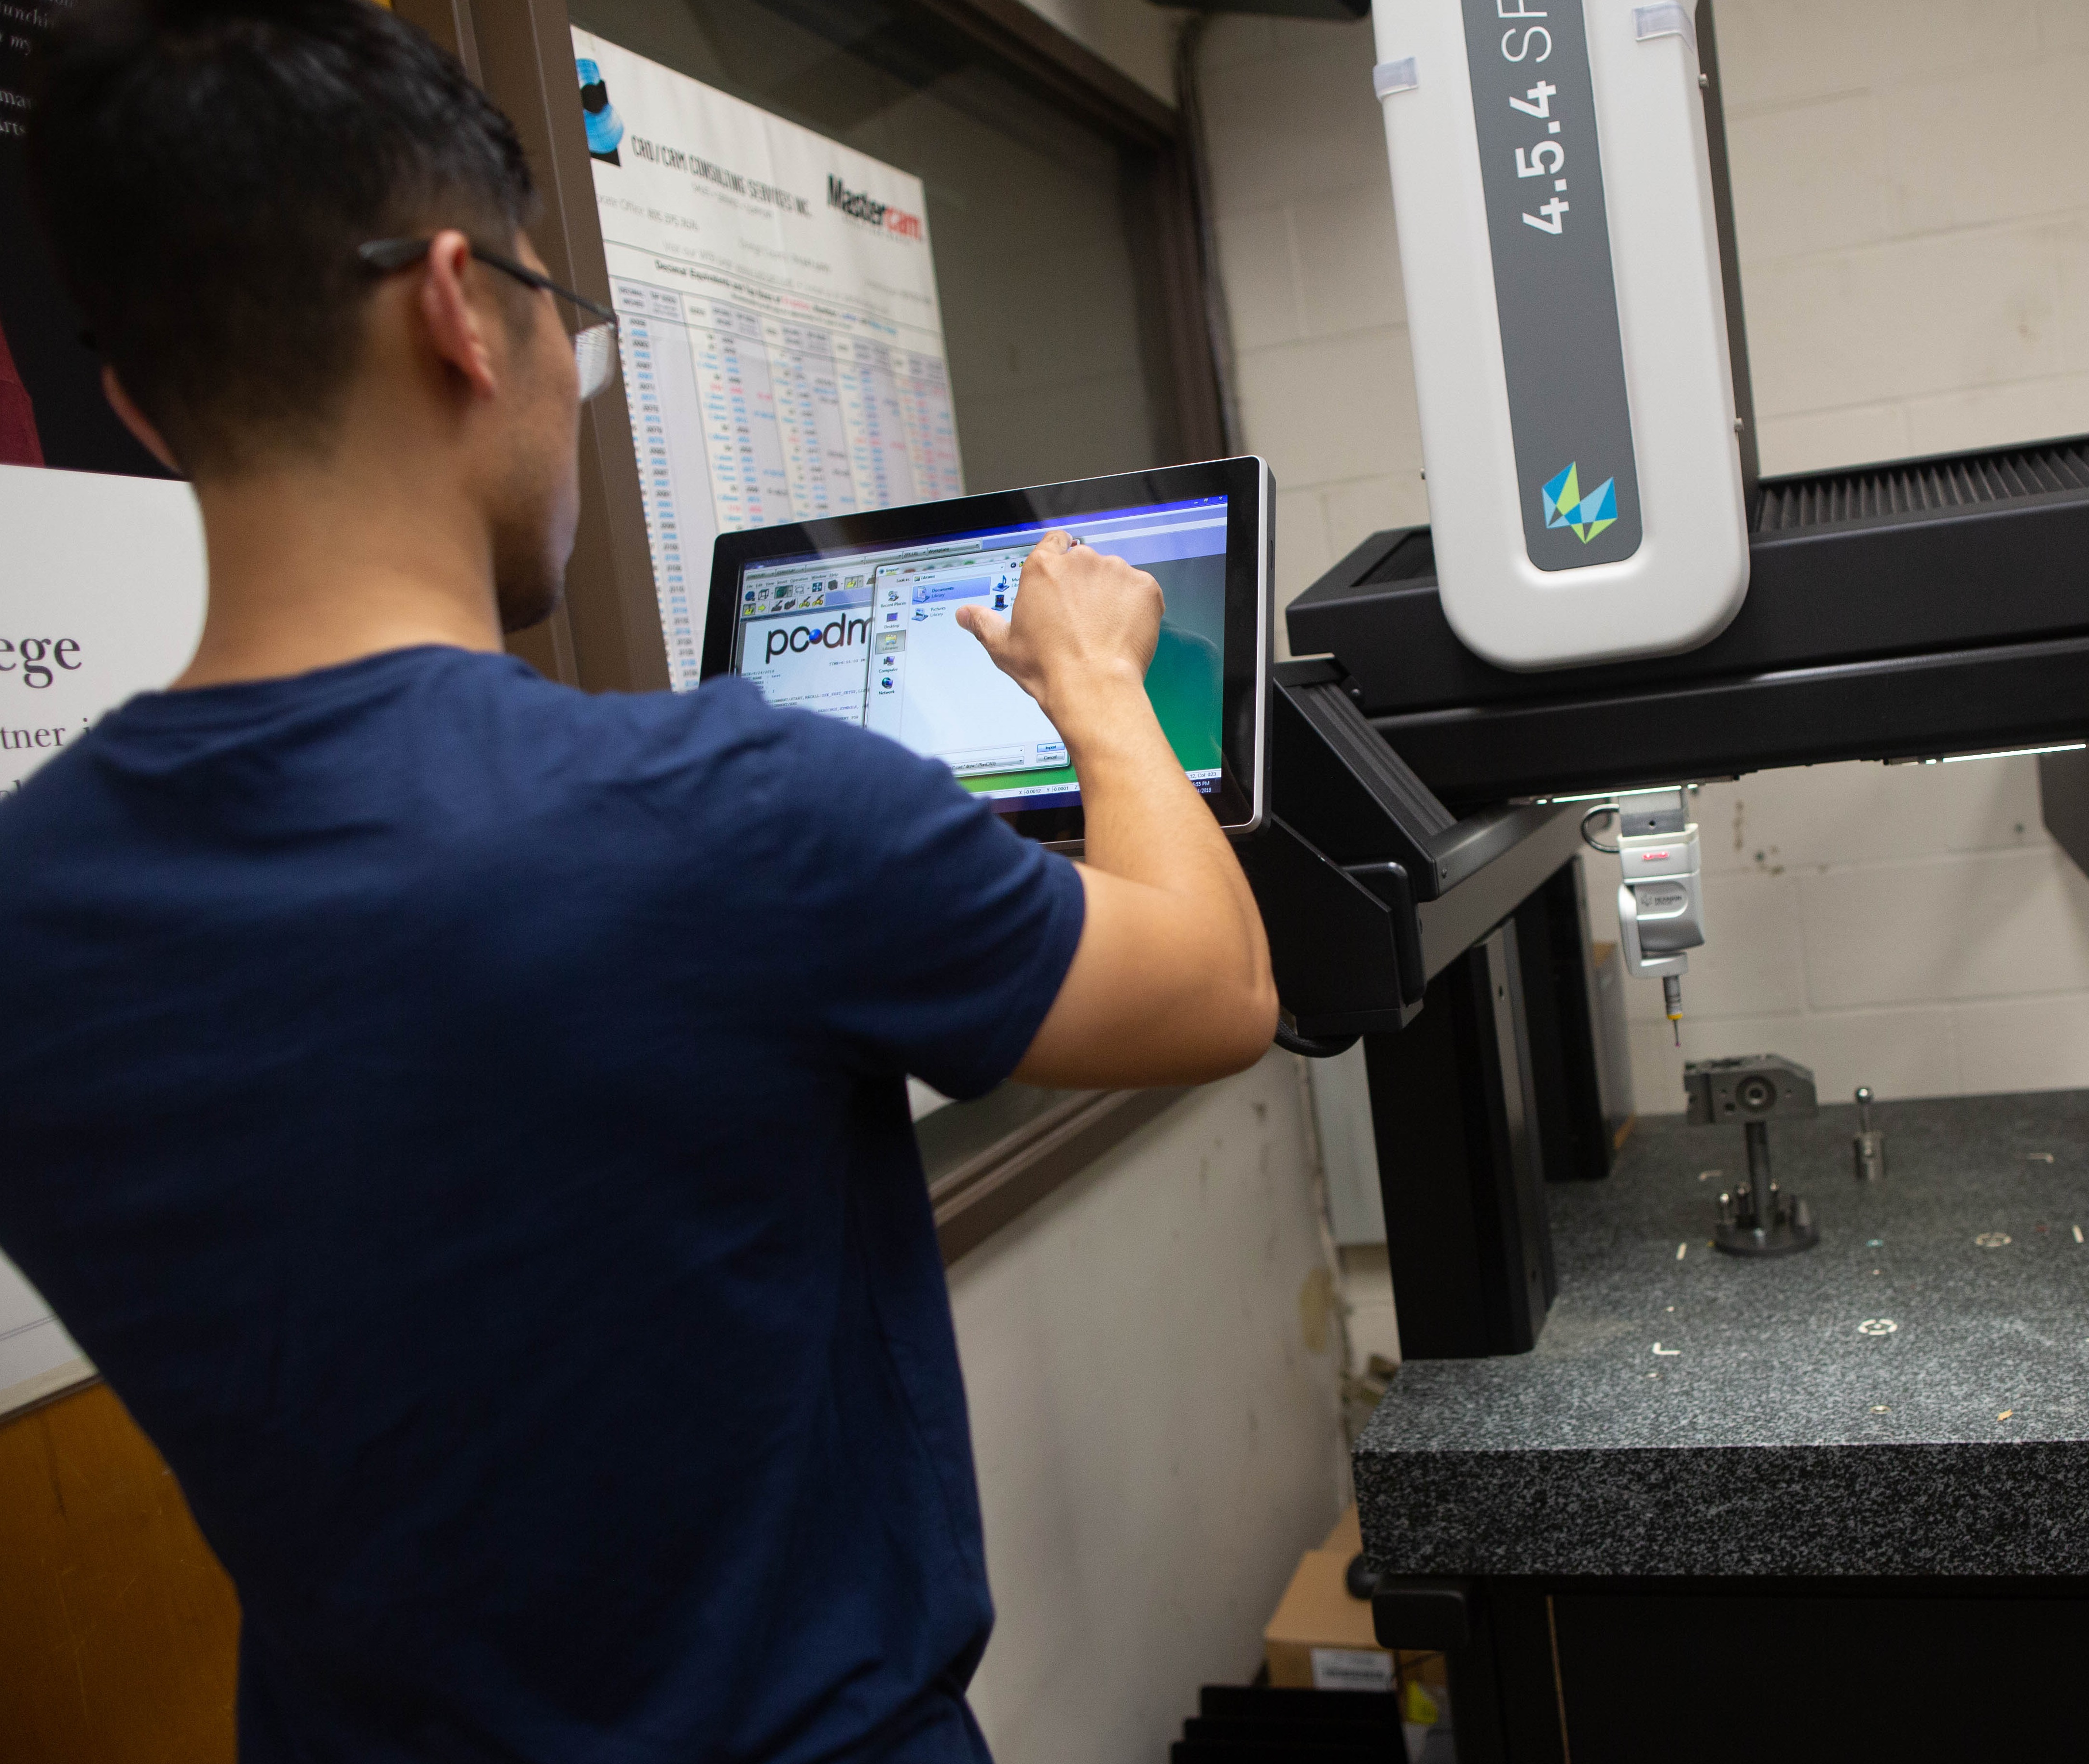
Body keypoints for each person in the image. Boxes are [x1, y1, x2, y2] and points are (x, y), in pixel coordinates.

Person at [0, 0, 1277, 1760]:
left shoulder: (30, 906)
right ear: (460, 309)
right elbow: (1214, 987)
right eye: (561, 313)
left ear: (141, 404)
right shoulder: (732, 809)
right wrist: (1100, 685)